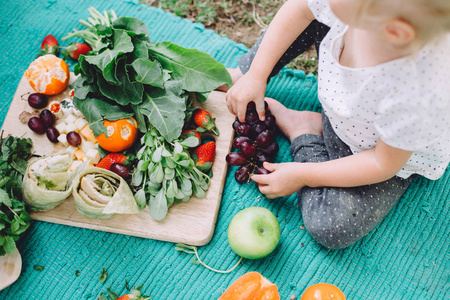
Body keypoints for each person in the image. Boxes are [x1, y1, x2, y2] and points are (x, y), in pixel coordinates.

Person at [225, 0, 450, 249]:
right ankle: (242, 77)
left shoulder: (418, 95)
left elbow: (382, 163)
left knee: (332, 226)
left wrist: (302, 175)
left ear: (395, 31)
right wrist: (256, 73)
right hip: (343, 102)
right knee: (309, 17)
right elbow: (300, 8)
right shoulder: (362, 9)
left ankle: (304, 129)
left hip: (371, 152)